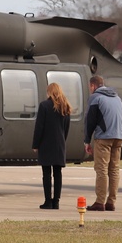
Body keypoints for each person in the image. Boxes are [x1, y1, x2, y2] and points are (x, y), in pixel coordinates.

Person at [83, 75, 122, 212]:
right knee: (114, 170)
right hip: (119, 136)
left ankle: (100, 201)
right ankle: (111, 202)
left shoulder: (96, 98)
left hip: (104, 137)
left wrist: (87, 140)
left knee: (101, 169)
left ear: (93, 86)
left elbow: (90, 121)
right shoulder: (117, 98)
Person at [32, 82, 72, 210]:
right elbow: (66, 128)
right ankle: (57, 201)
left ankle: (48, 201)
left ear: (49, 92)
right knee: (58, 173)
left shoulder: (44, 105)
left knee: (46, 173)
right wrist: (62, 141)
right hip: (59, 144)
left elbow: (39, 127)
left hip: (46, 143)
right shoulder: (65, 107)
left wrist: (35, 144)